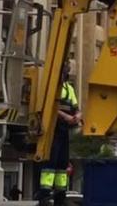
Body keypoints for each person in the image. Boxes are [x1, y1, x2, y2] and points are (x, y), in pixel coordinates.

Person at [37, 66, 80, 206]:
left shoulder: (69, 88)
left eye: (65, 74)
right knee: (50, 163)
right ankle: (44, 196)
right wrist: (67, 117)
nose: (64, 76)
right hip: (52, 129)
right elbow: (49, 108)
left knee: (62, 164)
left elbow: (76, 108)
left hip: (64, 130)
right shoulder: (51, 87)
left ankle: (60, 196)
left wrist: (77, 117)